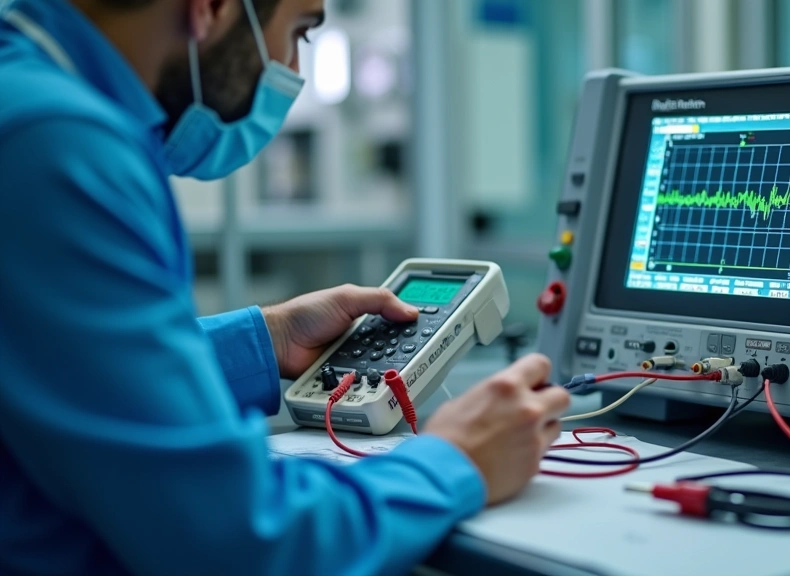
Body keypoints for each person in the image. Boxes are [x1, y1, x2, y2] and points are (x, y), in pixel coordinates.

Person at [0, 0, 571, 574]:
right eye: (300, 30)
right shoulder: (57, 144)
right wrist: (455, 459)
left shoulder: (25, 90)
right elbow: (238, 541)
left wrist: (267, 340)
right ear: (213, 8)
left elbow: (67, 366)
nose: (292, 68)